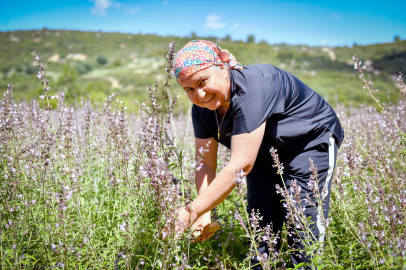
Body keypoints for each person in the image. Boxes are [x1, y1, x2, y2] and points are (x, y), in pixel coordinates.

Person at [172, 39, 344, 268]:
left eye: (203, 82)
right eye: (189, 90)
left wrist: (189, 211)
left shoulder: (252, 88)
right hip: (264, 154)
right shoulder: (201, 111)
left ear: (223, 69)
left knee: (303, 232)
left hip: (308, 142)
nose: (200, 95)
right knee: (261, 232)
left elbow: (241, 164)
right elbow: (205, 164)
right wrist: (203, 212)